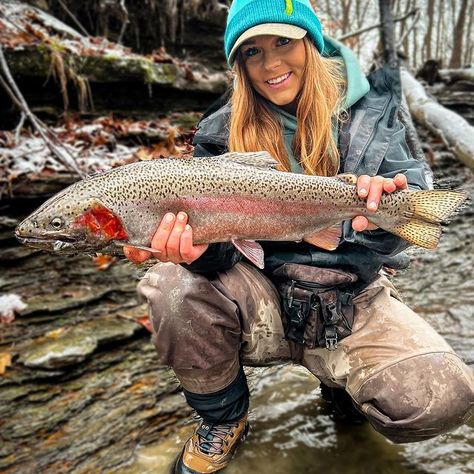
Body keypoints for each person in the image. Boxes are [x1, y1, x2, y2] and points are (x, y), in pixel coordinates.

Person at [124, 1, 474, 473]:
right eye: (252, 51)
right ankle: (224, 420)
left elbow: (411, 213)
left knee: (444, 398)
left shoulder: (371, 112)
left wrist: (383, 210)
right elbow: (219, 260)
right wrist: (199, 252)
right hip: (260, 290)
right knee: (168, 282)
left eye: (283, 43)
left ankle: (343, 390)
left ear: (310, 43)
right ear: (238, 65)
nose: (270, 64)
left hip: (352, 296)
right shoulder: (217, 132)